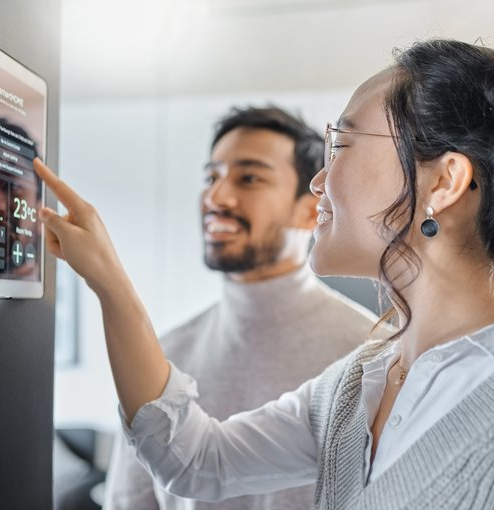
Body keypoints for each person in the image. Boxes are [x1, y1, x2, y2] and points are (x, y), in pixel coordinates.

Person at [35, 39, 494, 509]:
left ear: (443, 182)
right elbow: (193, 459)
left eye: (340, 144)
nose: (317, 182)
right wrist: (109, 280)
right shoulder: (353, 387)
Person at [100, 106, 379, 509]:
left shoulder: (370, 355)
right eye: (211, 177)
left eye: (249, 178)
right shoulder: (160, 355)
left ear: (310, 207)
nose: (216, 197)